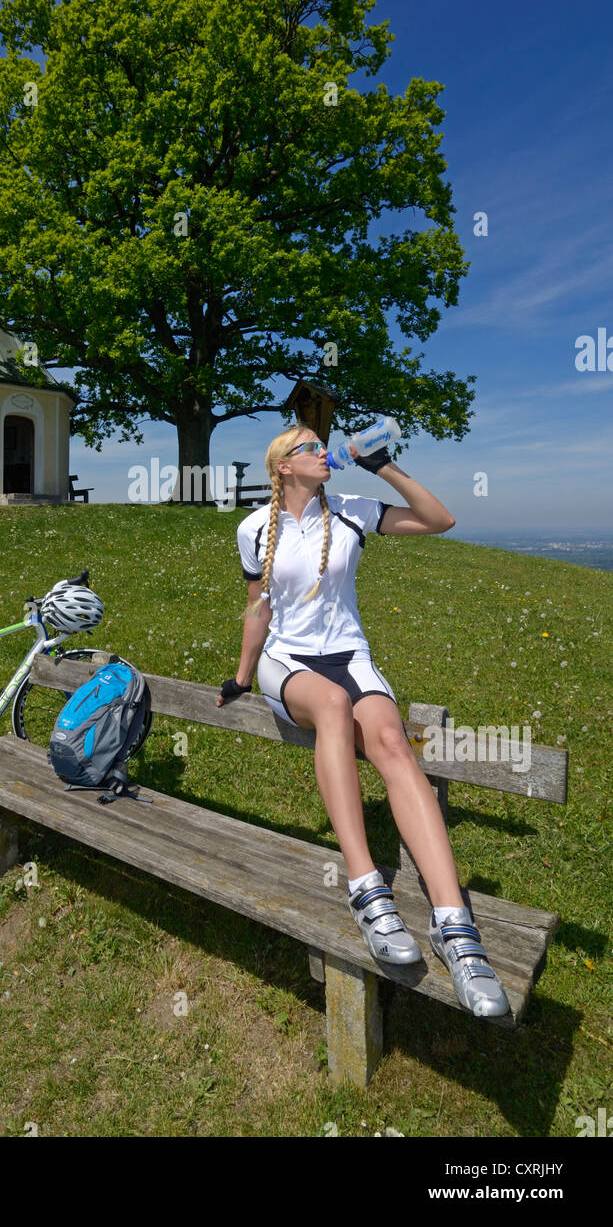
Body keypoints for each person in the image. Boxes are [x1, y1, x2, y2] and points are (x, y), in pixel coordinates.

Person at [217, 424, 509, 1019]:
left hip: (351, 656)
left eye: (322, 446)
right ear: (283, 468)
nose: (323, 452)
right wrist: (243, 675)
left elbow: (439, 520)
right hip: (288, 661)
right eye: (308, 447)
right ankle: (366, 887)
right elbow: (258, 607)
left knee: (392, 744)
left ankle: (455, 928)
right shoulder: (253, 527)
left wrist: (382, 465)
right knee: (329, 706)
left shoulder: (352, 510)